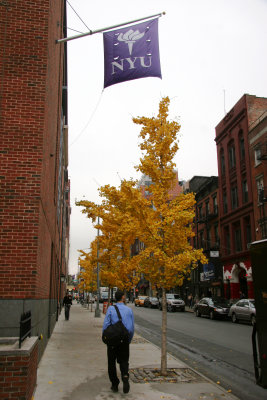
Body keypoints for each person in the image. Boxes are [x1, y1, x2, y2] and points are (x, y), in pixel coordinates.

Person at [102, 290, 134, 394]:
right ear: (123, 297)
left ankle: (114, 384)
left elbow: (106, 325)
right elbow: (131, 328)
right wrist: (128, 340)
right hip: (124, 339)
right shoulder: (129, 310)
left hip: (112, 340)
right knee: (124, 360)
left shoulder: (111, 309)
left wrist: (106, 338)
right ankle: (125, 376)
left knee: (111, 362)